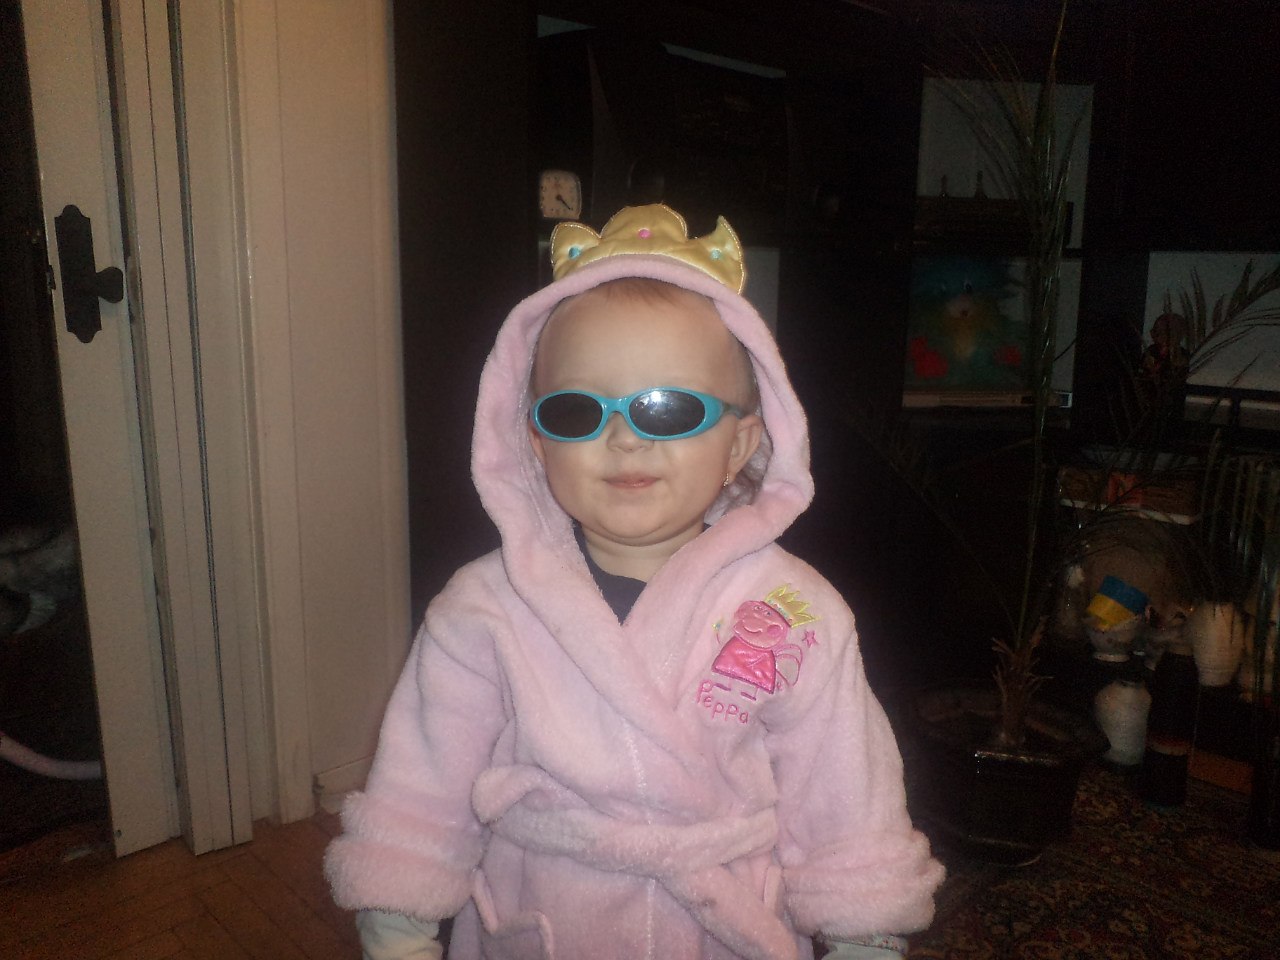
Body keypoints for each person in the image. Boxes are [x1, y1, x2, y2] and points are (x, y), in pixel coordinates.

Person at [324, 205, 945, 960]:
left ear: (740, 444)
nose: (623, 438)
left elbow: (843, 788)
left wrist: (864, 933)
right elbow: (422, 784)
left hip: (723, 929)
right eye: (577, 410)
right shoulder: (481, 609)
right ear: (535, 441)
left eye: (668, 408)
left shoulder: (797, 611)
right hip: (542, 923)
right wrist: (397, 925)